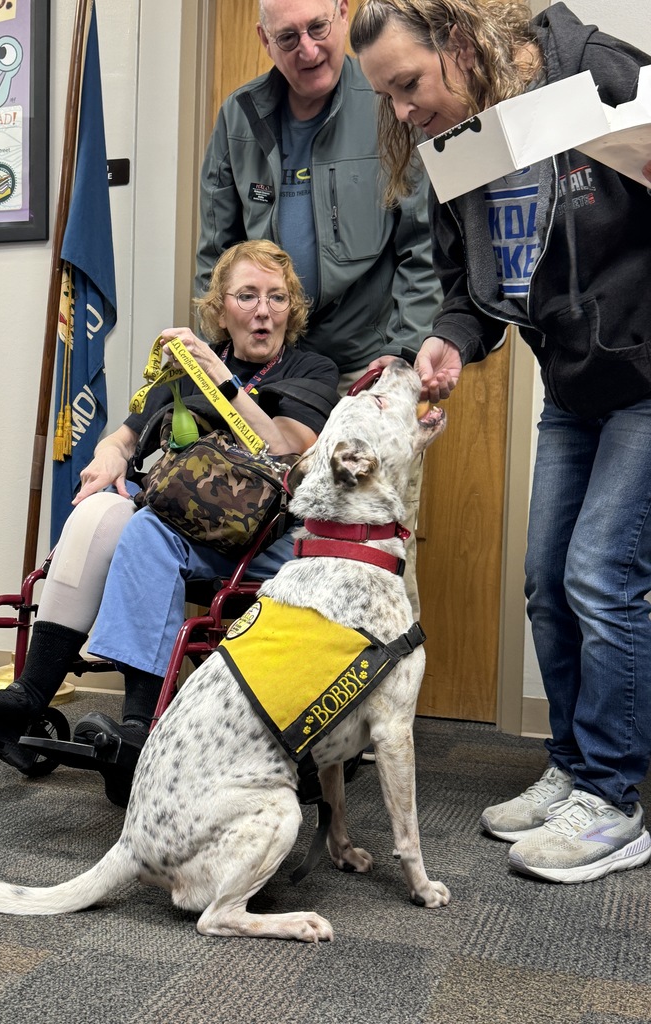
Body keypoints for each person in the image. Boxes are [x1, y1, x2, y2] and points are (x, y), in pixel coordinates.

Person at [350, 0, 651, 884]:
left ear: (458, 39)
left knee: (602, 572)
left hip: (647, 375)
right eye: (388, 99)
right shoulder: (465, 146)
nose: (403, 111)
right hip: (574, 382)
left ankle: (614, 800)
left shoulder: (595, 71)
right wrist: (449, 337)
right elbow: (469, 287)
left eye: (408, 83)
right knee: (547, 578)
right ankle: (574, 766)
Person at [0, 240, 339, 805]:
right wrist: (111, 455)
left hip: (263, 536)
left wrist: (217, 374)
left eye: (276, 298)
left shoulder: (309, 367)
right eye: (247, 296)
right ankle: (38, 701)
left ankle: (134, 724)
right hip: (181, 525)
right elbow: (126, 433)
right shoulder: (186, 367)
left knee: (147, 528)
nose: (263, 310)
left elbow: (285, 445)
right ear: (221, 307)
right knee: (102, 510)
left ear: (291, 309)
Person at [197, 0, 443, 619]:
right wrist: (221, 362)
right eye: (287, 38)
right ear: (263, 40)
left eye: (318, 29)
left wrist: (407, 357)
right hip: (272, 372)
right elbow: (216, 254)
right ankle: (267, 682)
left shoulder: (387, 103)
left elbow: (424, 244)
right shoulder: (240, 116)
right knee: (261, 525)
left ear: (341, 13)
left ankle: (380, 679)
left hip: (368, 368)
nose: (307, 50)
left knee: (373, 536)